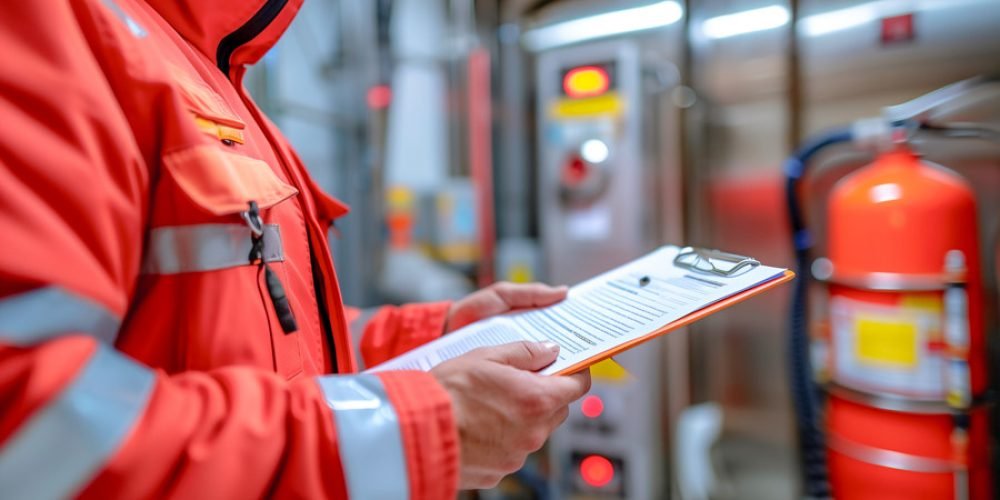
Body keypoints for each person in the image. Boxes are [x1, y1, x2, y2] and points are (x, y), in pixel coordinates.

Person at [0, 1, 591, 498]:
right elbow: (27, 422)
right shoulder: (56, 24)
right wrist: (409, 429)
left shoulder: (210, 73)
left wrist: (440, 334)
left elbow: (273, 335)